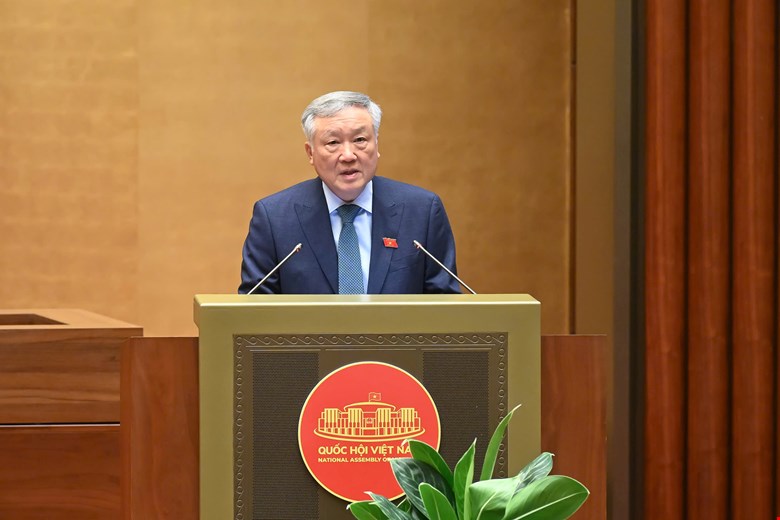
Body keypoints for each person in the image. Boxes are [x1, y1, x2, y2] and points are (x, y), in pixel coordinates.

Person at [239, 91, 460, 294]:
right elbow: (252, 312)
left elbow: (447, 308)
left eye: (360, 140)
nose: (348, 155)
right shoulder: (274, 218)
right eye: (333, 142)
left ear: (377, 144)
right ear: (311, 153)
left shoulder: (422, 211)